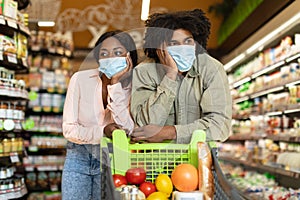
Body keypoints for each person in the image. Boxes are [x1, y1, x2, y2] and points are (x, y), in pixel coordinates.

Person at [130, 9, 232, 144]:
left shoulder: (211, 69)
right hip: (155, 160)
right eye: (173, 44)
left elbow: (220, 126)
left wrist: (169, 132)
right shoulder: (144, 72)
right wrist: (170, 75)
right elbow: (144, 127)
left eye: (188, 41)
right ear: (159, 48)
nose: (183, 48)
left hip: (199, 158)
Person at [61, 30, 138, 200]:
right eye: (104, 53)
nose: (110, 57)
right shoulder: (80, 79)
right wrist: (103, 131)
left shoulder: (134, 88)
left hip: (112, 160)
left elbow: (128, 129)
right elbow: (69, 130)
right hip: (78, 158)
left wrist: (115, 84)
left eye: (118, 53)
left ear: (129, 57)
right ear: (97, 57)